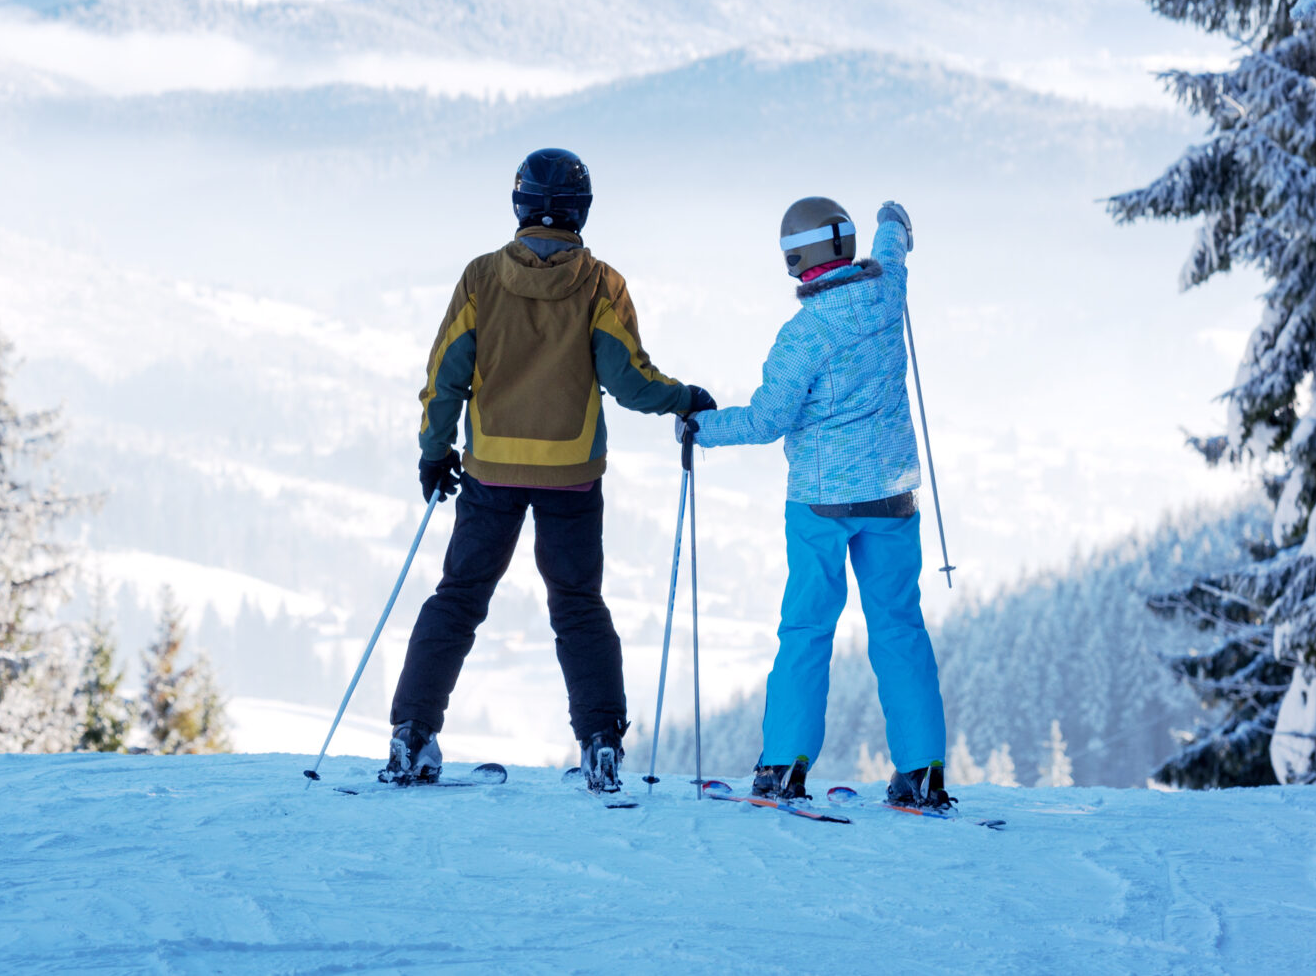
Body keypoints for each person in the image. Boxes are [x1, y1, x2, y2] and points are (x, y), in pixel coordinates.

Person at [383, 148, 712, 792]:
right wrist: (685, 397)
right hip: (572, 473)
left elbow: (444, 376)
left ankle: (412, 734)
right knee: (578, 606)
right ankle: (600, 745)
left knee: (458, 599)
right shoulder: (600, 282)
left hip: (490, 470)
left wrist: (433, 450)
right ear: (582, 210)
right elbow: (628, 379)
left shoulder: (480, 278)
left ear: (518, 203)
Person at [680, 195, 952, 810]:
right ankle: (923, 772)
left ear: (795, 260)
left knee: (806, 628)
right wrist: (893, 220)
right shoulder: (887, 292)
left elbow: (768, 419)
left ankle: (782, 766)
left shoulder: (804, 335)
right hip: (892, 496)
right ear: (845, 243)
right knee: (899, 626)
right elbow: (894, 243)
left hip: (820, 505)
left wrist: (700, 426)